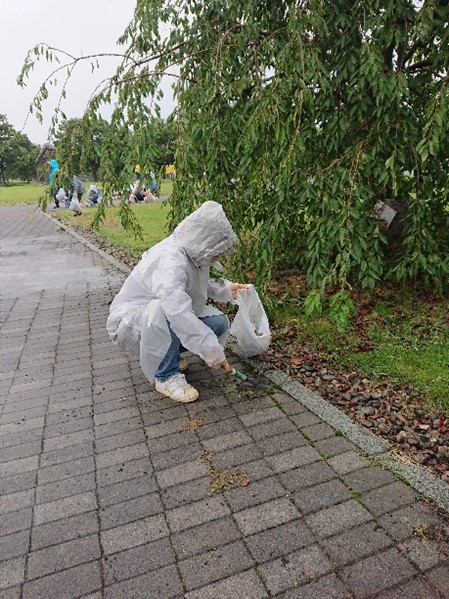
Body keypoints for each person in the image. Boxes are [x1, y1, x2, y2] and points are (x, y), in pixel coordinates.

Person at [107, 201, 248, 403]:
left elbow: (200, 282)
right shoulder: (171, 260)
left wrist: (227, 289)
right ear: (206, 240)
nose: (218, 256)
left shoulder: (192, 251)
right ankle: (165, 376)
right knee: (164, 310)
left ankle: (170, 354)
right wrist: (209, 347)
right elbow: (174, 309)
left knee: (219, 322)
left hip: (156, 317)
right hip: (130, 322)